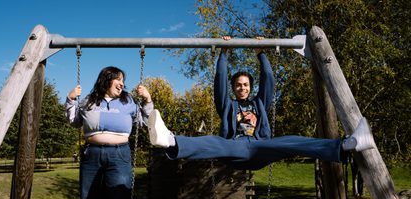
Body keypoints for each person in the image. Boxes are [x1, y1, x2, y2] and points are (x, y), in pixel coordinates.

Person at [147, 37, 374, 170]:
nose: (242, 88)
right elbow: (220, 84)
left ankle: (347, 144)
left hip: (260, 147)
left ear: (250, 87)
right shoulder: (228, 106)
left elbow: (269, 80)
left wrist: (262, 54)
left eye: (245, 85)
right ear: (234, 88)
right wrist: (223, 55)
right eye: (238, 85)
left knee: (291, 141)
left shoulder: (260, 105)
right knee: (213, 142)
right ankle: (169, 140)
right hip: (234, 148)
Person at [65, 66, 153, 199]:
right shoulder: (88, 100)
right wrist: (71, 100)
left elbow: (146, 122)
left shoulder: (128, 101)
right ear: (106, 80)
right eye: (118, 79)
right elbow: (73, 121)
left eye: (123, 80)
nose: (122, 83)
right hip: (92, 155)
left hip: (119, 154)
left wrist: (147, 100)